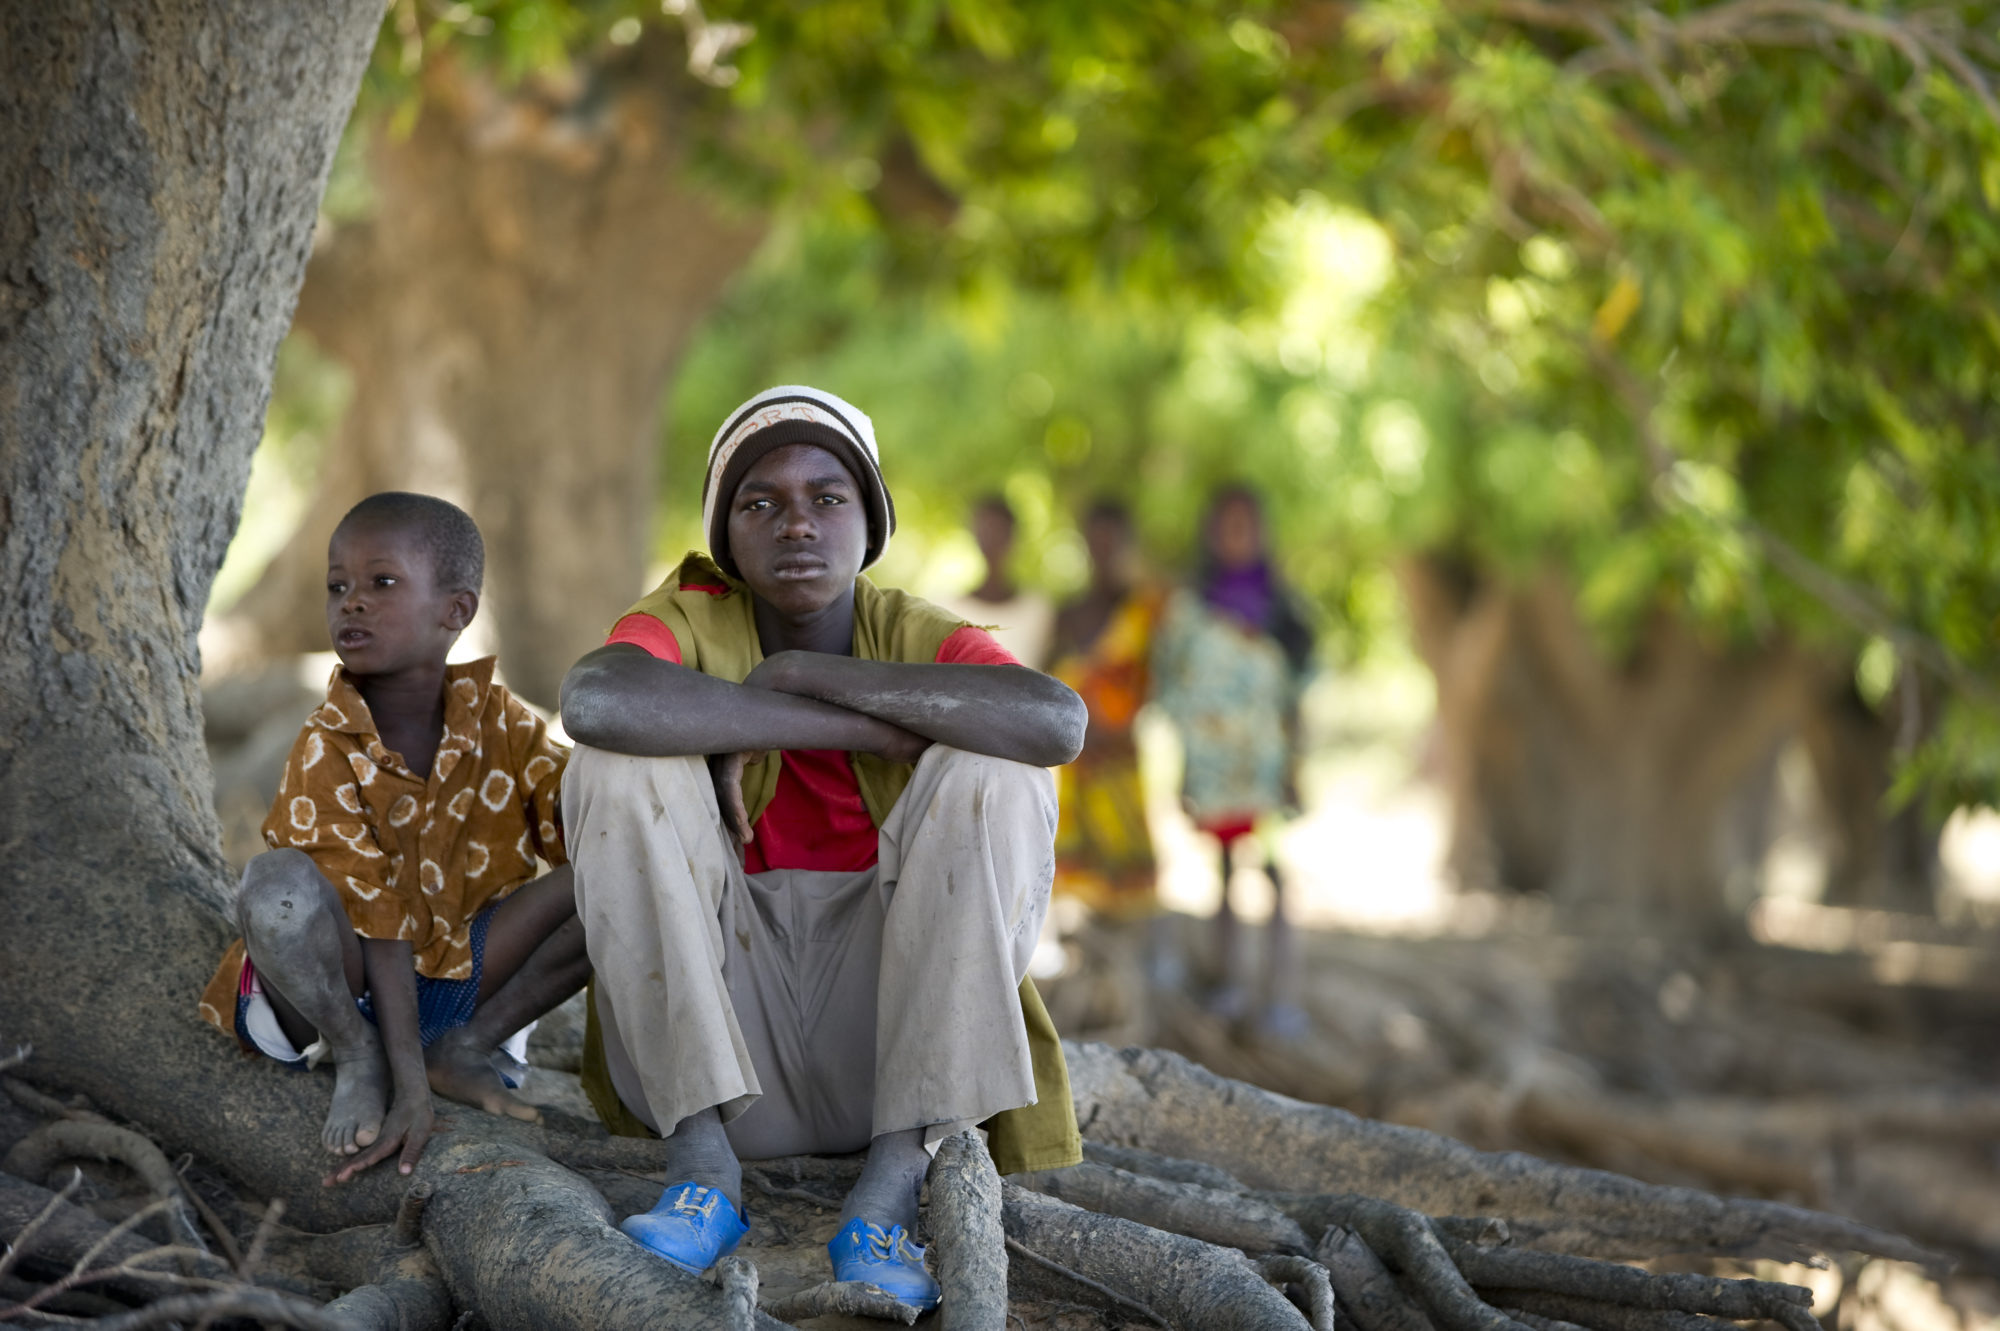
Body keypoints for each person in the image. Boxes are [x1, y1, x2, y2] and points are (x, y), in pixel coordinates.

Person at [559, 386, 1085, 1312]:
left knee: (1001, 770)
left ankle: (886, 1197)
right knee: (613, 766)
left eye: (827, 497)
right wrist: (817, 724)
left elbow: (1054, 719)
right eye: (760, 502)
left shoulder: (913, 632)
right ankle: (703, 1178)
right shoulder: (690, 617)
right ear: (727, 537)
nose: (796, 523)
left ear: (869, 521)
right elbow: (598, 699)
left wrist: (803, 675)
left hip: (891, 1062)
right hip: (725, 1060)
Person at [196, 493, 586, 1185]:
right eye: (338, 585)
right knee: (273, 885)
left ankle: (465, 1047)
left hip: (459, 976)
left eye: (381, 582)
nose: (352, 602)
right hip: (337, 984)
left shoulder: (503, 724)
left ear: (456, 611)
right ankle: (357, 1055)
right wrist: (405, 1089)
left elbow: (578, 825)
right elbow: (378, 921)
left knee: (613, 871)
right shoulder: (327, 743)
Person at [1151, 484, 1314, 1039]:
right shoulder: (1191, 610)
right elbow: (1173, 690)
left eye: (1247, 524)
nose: (1236, 534)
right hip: (1214, 773)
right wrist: (1182, 771)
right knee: (1221, 875)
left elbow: (1298, 700)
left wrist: (1298, 767)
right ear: (1211, 533)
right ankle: (1231, 985)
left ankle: (1283, 998)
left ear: (1263, 532)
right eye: (1226, 524)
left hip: (1268, 772)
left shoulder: (1285, 610)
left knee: (1276, 875)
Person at [1047, 501, 1167, 936]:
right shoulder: (1068, 612)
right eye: (1094, 540)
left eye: (1111, 540)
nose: (1103, 550)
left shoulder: (1145, 610)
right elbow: (1045, 682)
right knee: (1081, 895)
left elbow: (1156, 682)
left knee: (1129, 894)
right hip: (1079, 765)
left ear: (1127, 544)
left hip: (1121, 763)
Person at [934, 493, 1055, 669]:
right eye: (986, 531)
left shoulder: (1038, 609)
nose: (992, 539)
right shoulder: (946, 610)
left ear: (1013, 537)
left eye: (999, 530)